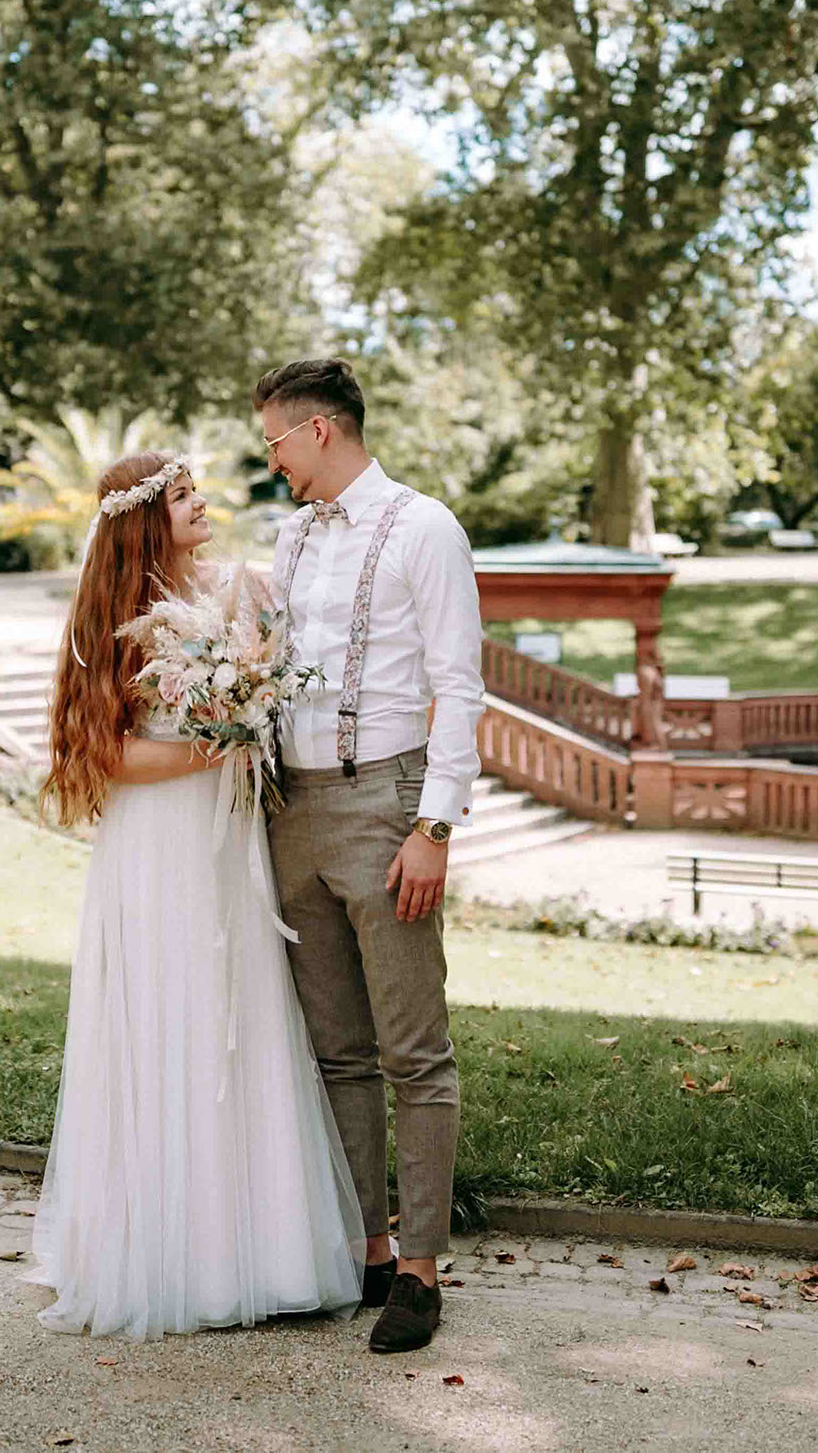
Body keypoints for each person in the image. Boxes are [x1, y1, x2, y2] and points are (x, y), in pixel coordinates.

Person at [24, 452, 364, 1341]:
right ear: (146, 518)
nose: (203, 502)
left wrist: (250, 719)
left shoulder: (240, 588)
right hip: (157, 851)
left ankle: (267, 1254)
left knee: (243, 1016)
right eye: (183, 496)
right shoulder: (117, 621)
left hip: (229, 842)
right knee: (168, 1022)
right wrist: (214, 746)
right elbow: (107, 756)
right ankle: (166, 1253)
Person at [253, 358, 485, 1355]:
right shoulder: (290, 533)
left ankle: (424, 1271)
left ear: (318, 431)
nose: (269, 462)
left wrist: (433, 825)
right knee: (337, 1050)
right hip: (290, 807)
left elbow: (459, 684)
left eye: (273, 442)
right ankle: (369, 1246)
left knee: (412, 1050)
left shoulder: (423, 526)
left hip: (386, 803)